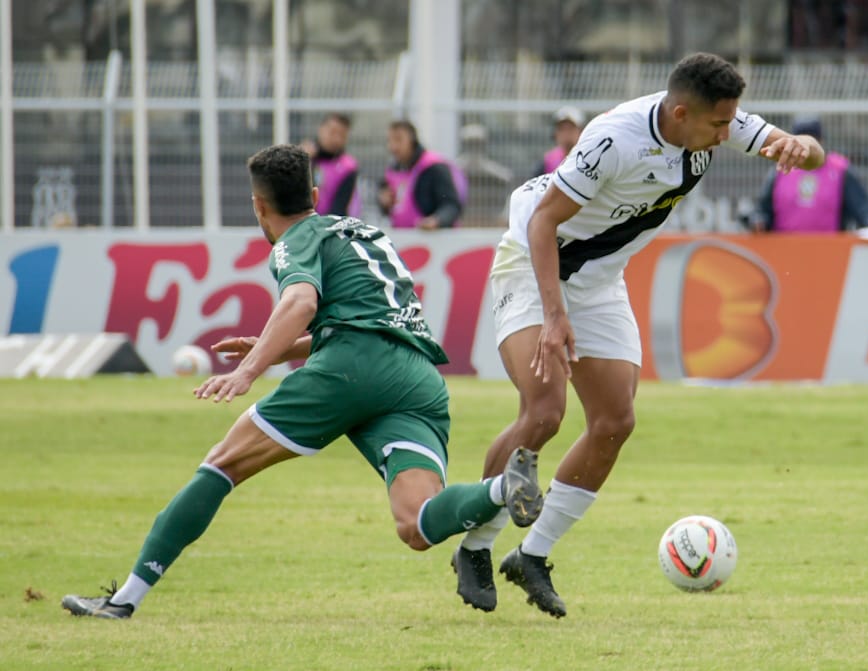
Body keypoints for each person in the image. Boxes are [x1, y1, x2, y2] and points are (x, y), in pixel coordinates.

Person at [61, 143, 543, 620]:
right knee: (417, 523)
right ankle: (503, 488)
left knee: (220, 466)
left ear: (259, 205)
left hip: (351, 369)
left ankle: (124, 600)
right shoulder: (364, 231)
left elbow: (301, 304)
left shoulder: (295, 240)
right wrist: (274, 346)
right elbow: (362, 319)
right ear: (314, 192)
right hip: (416, 377)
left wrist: (250, 370)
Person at [450, 52, 825, 618]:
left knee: (614, 422)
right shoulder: (613, 140)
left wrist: (801, 144)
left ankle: (533, 556)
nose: (729, 135)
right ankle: (475, 547)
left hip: (599, 281)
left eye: (732, 123)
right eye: (719, 126)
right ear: (680, 113)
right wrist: (554, 317)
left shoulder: (715, 121)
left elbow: (814, 156)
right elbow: (544, 222)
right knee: (545, 411)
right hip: (535, 264)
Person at [745, 117, 868, 233]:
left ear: (820, 141)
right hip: (784, 251)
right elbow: (763, 209)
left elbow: (862, 209)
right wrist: (759, 221)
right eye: (800, 139)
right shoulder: (779, 170)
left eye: (811, 140)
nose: (805, 147)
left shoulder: (840, 170)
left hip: (831, 251)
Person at [378, 120, 467, 230]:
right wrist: (384, 202)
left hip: (433, 240)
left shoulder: (433, 167)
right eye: (390, 141)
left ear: (412, 140)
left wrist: (437, 220)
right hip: (403, 240)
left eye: (398, 140)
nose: (393, 147)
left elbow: (451, 205)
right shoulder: (392, 171)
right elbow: (388, 208)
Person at [300, 113, 361, 217]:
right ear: (321, 129)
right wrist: (303, 162)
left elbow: (340, 206)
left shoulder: (348, 167)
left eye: (342, 135)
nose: (336, 139)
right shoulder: (304, 156)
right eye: (332, 132)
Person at [457, 123, 514, 227]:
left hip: (490, 219)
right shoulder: (454, 171)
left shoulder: (499, 174)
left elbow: (509, 186)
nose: (474, 147)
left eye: (477, 143)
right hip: (463, 219)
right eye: (471, 143)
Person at [535, 106, 586, 176]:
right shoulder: (547, 162)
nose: (566, 133)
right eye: (561, 129)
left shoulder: (588, 160)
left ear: (581, 132)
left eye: (571, 128)